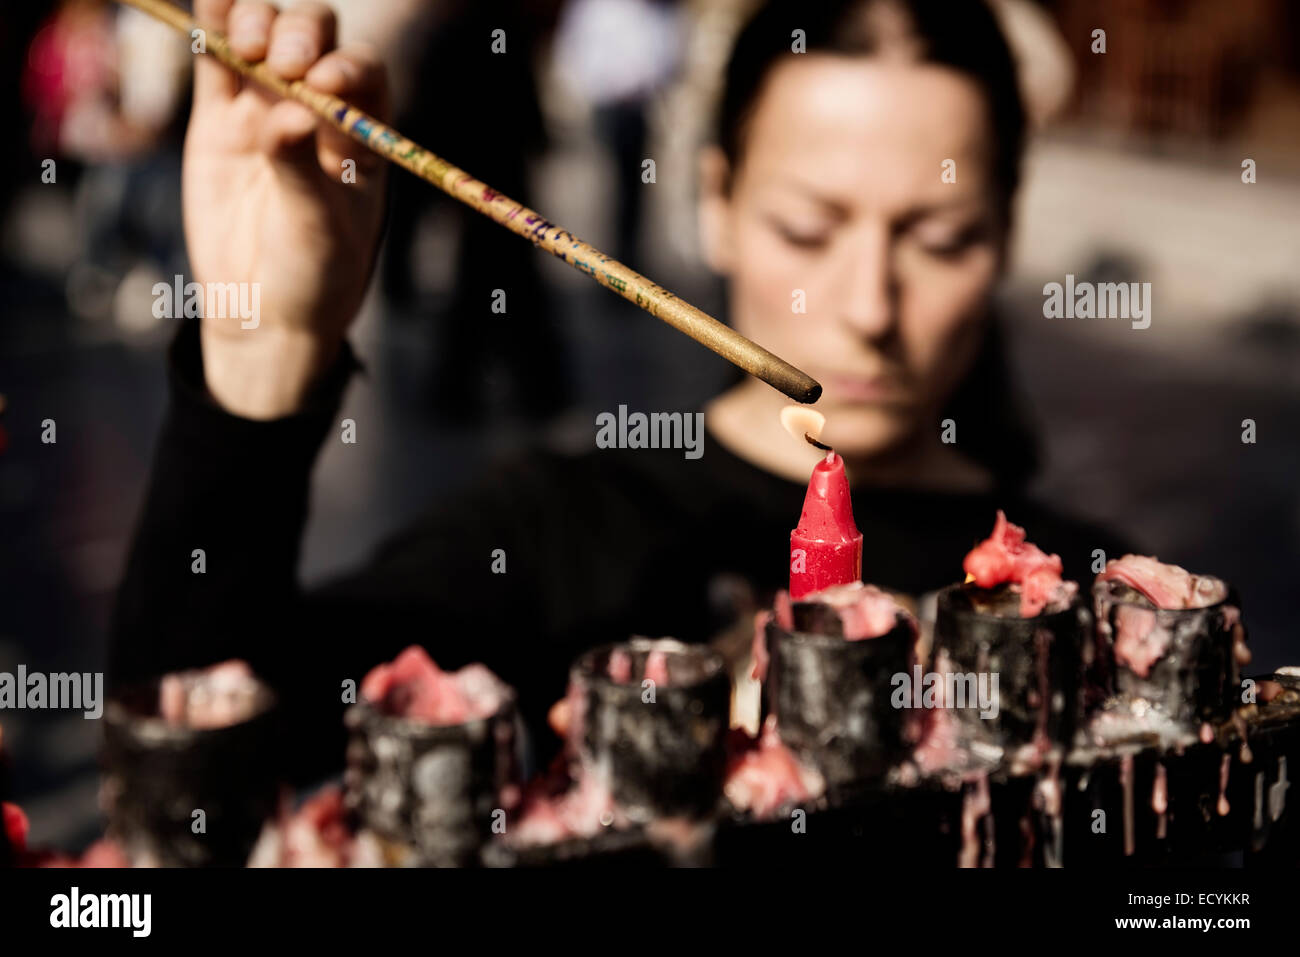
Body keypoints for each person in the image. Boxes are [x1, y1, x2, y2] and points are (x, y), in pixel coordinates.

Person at [111, 0, 1132, 777]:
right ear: (716, 202)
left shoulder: (1099, 602)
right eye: (807, 230)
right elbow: (201, 743)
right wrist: (260, 358)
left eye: (940, 238)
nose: (869, 304)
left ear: (1004, 230)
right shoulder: (560, 533)